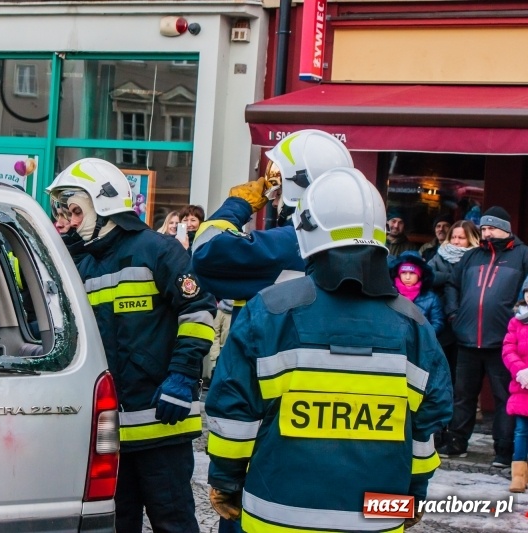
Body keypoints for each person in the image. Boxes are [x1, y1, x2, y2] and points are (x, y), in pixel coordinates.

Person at [205, 167, 452, 532]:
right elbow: (426, 426)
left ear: (306, 232)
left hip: (278, 516)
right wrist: (414, 492)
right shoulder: (414, 325)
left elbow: (234, 410)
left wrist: (226, 481)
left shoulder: (268, 311)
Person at [47, 157, 216, 533]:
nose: (70, 221)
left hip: (161, 423)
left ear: (104, 205)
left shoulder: (159, 251)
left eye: (76, 210)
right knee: (114, 525)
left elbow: (200, 312)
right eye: (66, 212)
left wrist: (182, 377)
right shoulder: (77, 262)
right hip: (108, 436)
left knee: (173, 523)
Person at [191, 128, 352, 321]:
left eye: (278, 190)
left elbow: (204, 255)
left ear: (297, 187)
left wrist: (236, 205)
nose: (274, 201)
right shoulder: (354, 246)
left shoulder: (289, 243)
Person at [440, 206, 528, 467]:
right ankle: (456, 443)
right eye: (484, 228)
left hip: (503, 341)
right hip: (467, 337)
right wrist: (454, 314)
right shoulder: (471, 257)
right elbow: (452, 285)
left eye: (491, 228)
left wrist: (518, 319)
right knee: (463, 395)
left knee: (505, 398)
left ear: (505, 228)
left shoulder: (522, 255)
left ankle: (503, 450)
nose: (486, 233)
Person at [428, 219, 481, 384]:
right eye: (454, 237)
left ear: (471, 239)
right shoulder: (440, 255)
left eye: (461, 238)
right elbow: (427, 276)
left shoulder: (477, 258)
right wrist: (451, 278)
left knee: (461, 367)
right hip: (441, 317)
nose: (456, 241)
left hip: (466, 317)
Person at [502, 277, 528, 493]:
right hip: (523, 386)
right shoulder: (516, 321)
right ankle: (518, 475)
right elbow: (508, 349)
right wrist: (520, 371)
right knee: (521, 431)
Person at [390, 251, 444, 336]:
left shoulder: (431, 298)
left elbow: (437, 323)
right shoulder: (391, 295)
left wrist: (422, 338)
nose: (407, 277)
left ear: (419, 275)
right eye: (403, 273)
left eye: (412, 273)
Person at [204, 299, 233, 384]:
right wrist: (214, 358)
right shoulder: (220, 311)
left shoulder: (243, 309)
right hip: (220, 352)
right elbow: (215, 335)